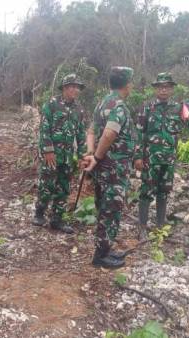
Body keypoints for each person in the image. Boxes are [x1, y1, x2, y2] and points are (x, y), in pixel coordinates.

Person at [133, 72, 189, 238]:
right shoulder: (147, 108)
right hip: (150, 159)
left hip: (168, 160)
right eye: (160, 87)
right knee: (146, 191)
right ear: (155, 89)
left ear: (172, 89)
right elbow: (138, 133)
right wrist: (137, 156)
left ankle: (160, 226)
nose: (163, 90)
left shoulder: (180, 108)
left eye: (167, 87)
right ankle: (142, 228)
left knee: (163, 192)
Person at [81, 67, 136, 269]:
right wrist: (96, 156)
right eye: (131, 82)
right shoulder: (119, 106)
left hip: (103, 169)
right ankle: (101, 255)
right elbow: (109, 134)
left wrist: (90, 153)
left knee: (103, 208)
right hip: (114, 169)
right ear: (127, 84)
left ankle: (104, 249)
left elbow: (91, 130)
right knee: (110, 210)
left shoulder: (102, 103)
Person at [33, 74, 88, 234]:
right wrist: (48, 150)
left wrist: (82, 155)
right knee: (47, 184)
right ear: (64, 88)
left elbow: (81, 134)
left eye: (77, 87)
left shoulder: (79, 109)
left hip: (67, 156)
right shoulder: (52, 104)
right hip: (52, 155)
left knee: (63, 188)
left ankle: (57, 219)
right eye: (71, 86)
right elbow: (44, 128)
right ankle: (40, 213)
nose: (74, 90)